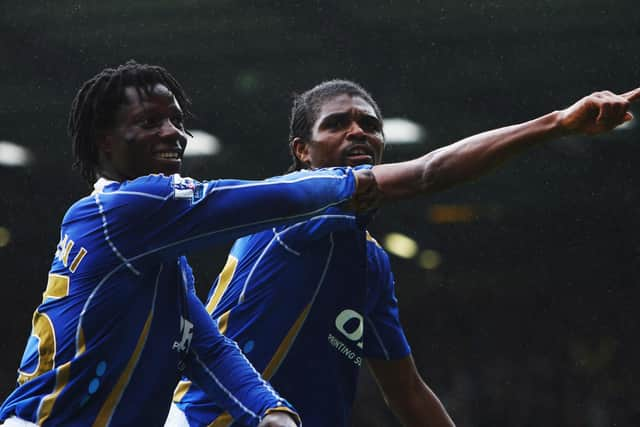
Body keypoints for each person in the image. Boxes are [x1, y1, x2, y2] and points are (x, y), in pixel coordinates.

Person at [169, 79, 639, 427]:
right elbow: (428, 174)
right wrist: (556, 123)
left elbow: (408, 393)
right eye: (336, 124)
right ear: (303, 151)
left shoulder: (369, 261)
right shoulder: (288, 205)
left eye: (369, 126)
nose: (358, 133)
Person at [0, 63, 381, 427]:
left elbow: (207, 348)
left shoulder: (156, 253)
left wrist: (272, 410)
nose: (174, 134)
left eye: (177, 121)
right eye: (150, 122)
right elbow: (280, 198)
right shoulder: (125, 208)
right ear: (106, 141)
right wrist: (393, 175)